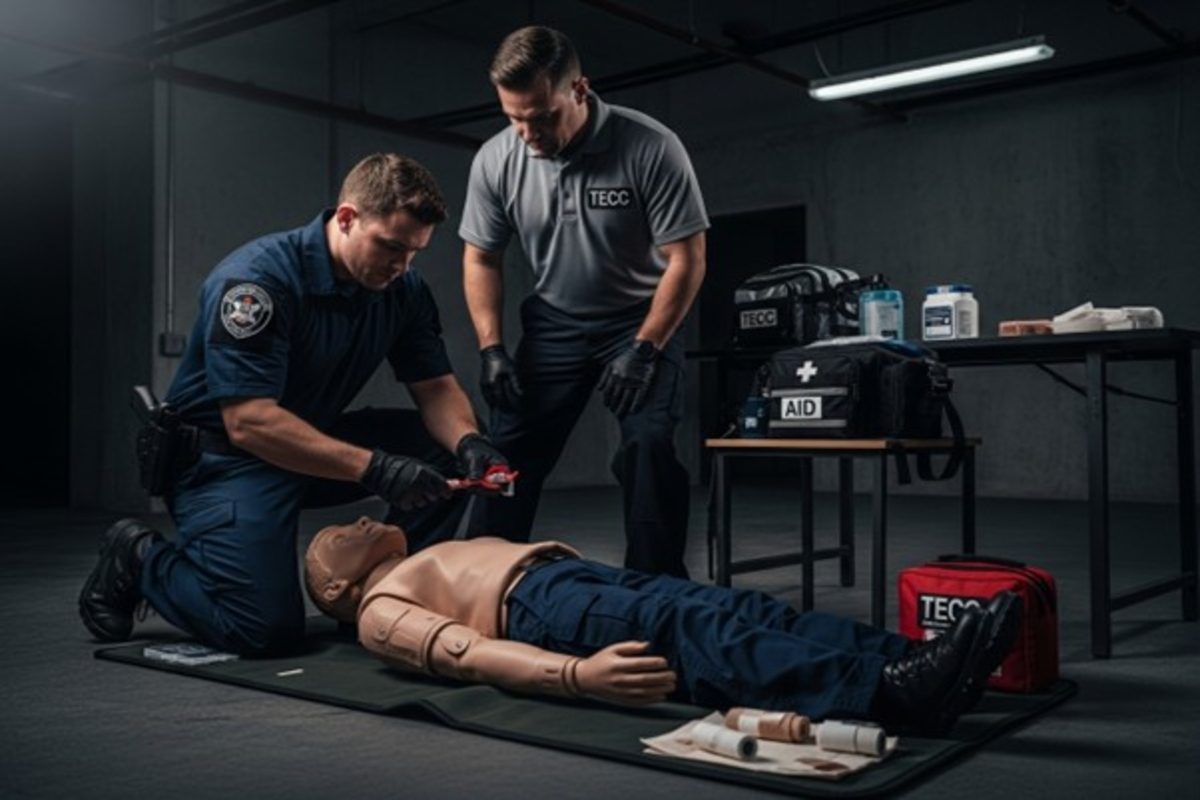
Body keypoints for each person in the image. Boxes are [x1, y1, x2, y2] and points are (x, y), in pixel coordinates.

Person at [79, 154, 510, 656]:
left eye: (414, 252)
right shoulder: (256, 283)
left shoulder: (402, 289)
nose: (401, 265)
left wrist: (470, 441)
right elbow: (249, 423)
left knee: (446, 450)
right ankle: (140, 556)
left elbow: (435, 386)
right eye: (391, 247)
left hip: (307, 449)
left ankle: (387, 595)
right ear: (347, 218)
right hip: (223, 462)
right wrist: (376, 468)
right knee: (262, 630)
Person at [307, 517, 1021, 735]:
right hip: (540, 611)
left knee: (741, 609)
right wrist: (575, 676)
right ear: (335, 587)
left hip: (572, 577)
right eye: (338, 533)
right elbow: (467, 656)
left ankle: (926, 659)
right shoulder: (378, 614)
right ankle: (890, 692)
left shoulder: (418, 547)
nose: (358, 521)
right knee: (698, 631)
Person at [460, 26, 709, 577]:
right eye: (513, 117)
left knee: (647, 448)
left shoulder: (649, 146)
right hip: (555, 322)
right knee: (508, 451)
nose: (528, 133)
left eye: (542, 116)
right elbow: (481, 258)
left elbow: (687, 260)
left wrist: (645, 349)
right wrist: (492, 348)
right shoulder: (496, 160)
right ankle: (479, 578)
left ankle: (657, 590)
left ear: (580, 90)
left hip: (642, 318)